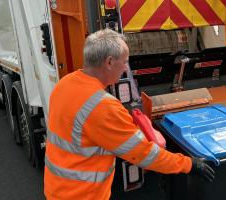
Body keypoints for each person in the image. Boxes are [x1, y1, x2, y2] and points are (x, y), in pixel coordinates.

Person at [44, 29, 215, 200]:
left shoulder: (65, 84)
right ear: (109, 62)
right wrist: (190, 165)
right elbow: (144, 155)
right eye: (125, 62)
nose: (126, 68)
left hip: (57, 189)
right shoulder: (103, 107)